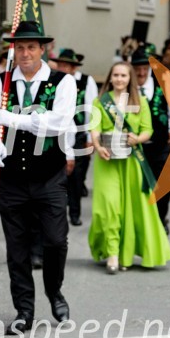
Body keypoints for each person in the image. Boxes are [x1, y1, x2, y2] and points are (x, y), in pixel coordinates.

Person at [0, 21, 75, 334]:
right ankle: (24, 310)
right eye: (20, 47)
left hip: (50, 176)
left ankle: (54, 290)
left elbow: (58, 123)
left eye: (31, 47)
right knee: (17, 249)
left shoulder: (62, 82)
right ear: (13, 50)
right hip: (12, 179)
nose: (25, 53)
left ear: (43, 49)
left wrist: (12, 118)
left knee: (56, 241)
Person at [89, 62, 170, 274]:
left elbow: (148, 130)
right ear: (110, 77)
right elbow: (94, 128)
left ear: (130, 79)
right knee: (109, 207)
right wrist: (98, 146)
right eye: (116, 75)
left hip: (132, 161)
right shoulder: (99, 102)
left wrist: (138, 139)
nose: (119, 79)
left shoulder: (141, 102)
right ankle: (112, 254)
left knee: (130, 207)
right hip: (107, 161)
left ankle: (124, 254)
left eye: (123, 76)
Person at [132, 47, 170, 232]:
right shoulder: (127, 88)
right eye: (137, 67)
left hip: (161, 145)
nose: (141, 72)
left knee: (165, 184)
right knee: (139, 187)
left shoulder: (163, 83)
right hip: (135, 148)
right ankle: (143, 223)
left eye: (145, 67)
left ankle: (161, 218)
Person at [54, 49, 98, 227]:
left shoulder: (86, 81)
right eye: (60, 65)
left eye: (66, 65)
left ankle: (75, 213)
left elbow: (91, 109)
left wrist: (89, 135)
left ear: (73, 67)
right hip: (59, 134)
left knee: (77, 177)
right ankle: (59, 213)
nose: (62, 68)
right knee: (59, 176)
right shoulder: (54, 81)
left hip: (79, 134)